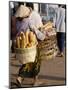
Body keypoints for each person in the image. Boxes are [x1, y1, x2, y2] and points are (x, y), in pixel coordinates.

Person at [15, 5, 45, 86]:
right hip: (32, 44)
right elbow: (35, 31)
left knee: (26, 61)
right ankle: (36, 81)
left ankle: (20, 77)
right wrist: (43, 36)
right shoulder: (28, 21)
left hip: (23, 45)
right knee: (37, 62)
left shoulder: (18, 22)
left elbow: (17, 32)